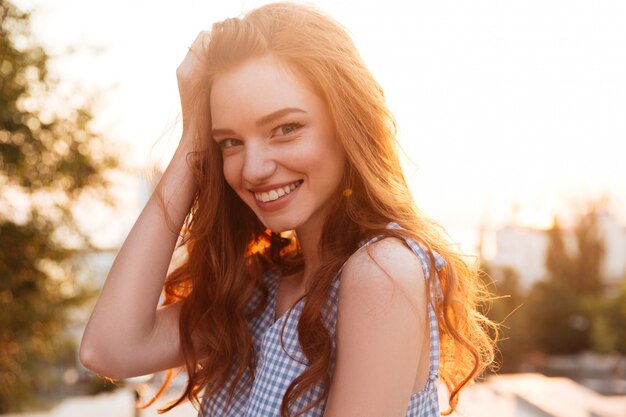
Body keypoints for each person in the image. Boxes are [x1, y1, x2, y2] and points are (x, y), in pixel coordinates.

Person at [80, 2, 496, 416]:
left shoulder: (381, 271)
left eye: (286, 129)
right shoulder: (259, 291)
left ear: (347, 122)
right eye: (230, 141)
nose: (254, 169)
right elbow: (109, 350)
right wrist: (193, 137)